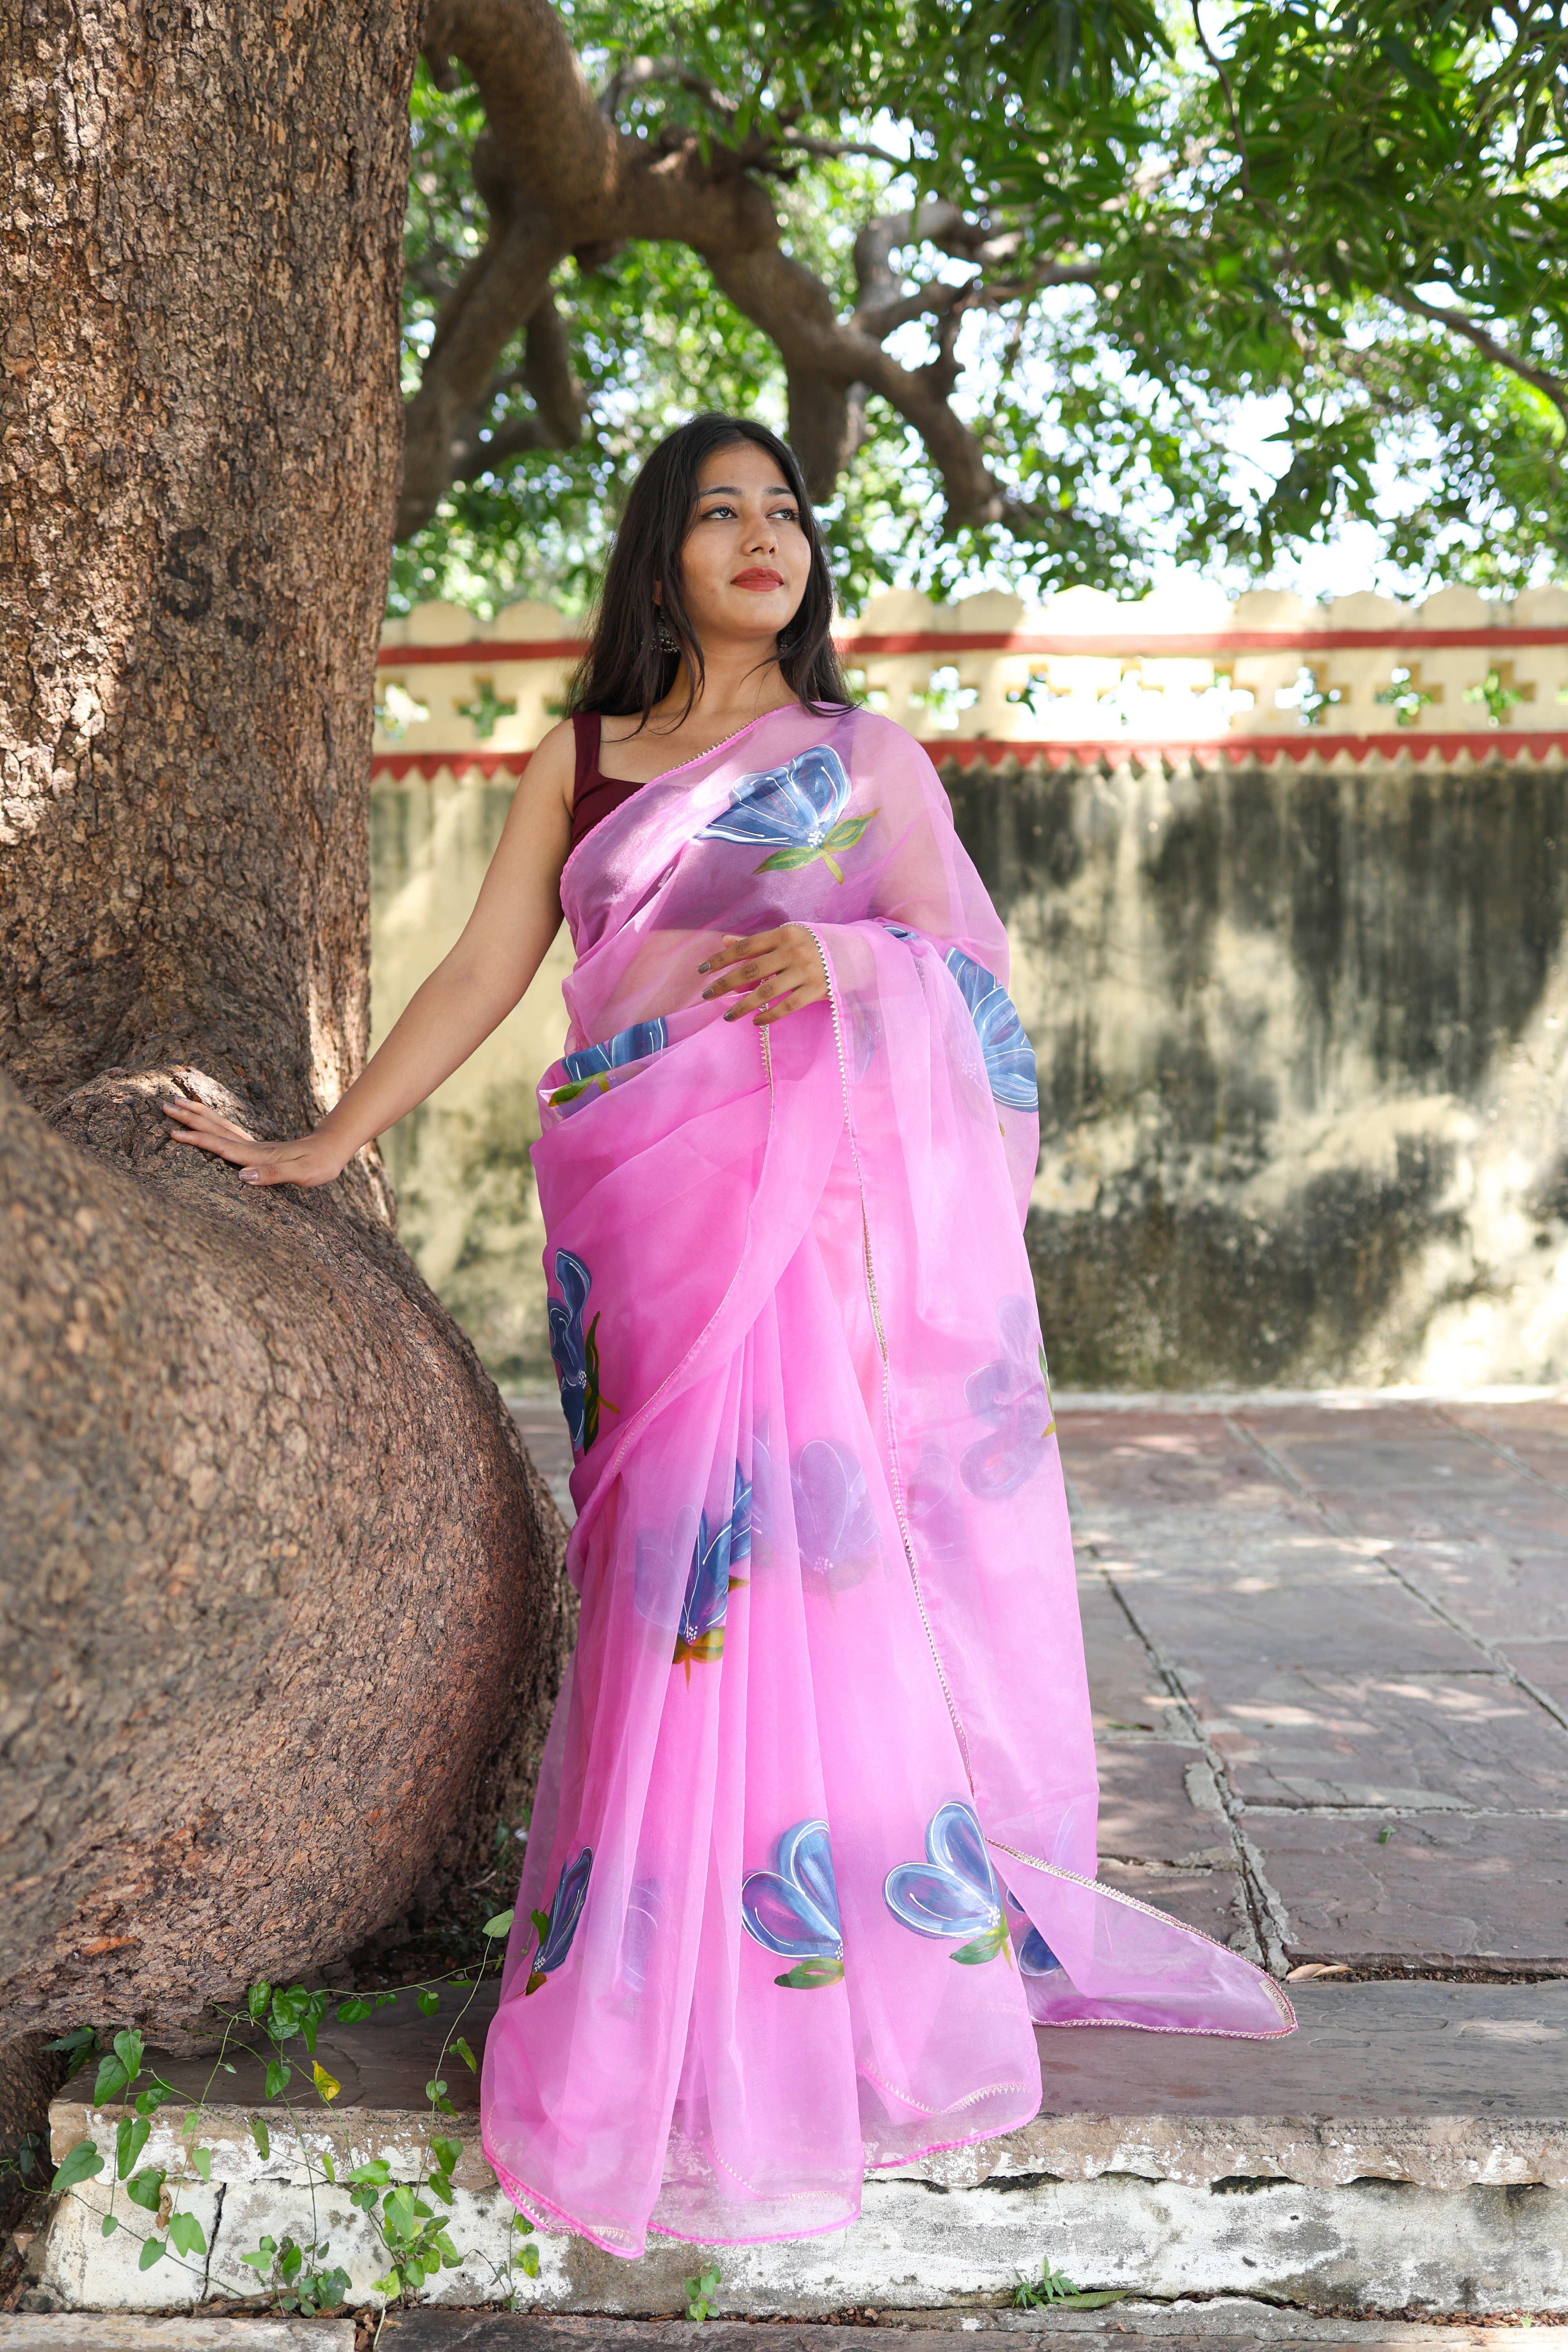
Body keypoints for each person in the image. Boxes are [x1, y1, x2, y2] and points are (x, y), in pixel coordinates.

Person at [166, 413, 1292, 2261]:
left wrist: (842, 969)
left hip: (813, 1232)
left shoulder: (863, 761)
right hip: (654, 1227)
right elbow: (479, 969)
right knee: (670, 1585)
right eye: (719, 510)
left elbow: (972, 996)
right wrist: (319, 1147)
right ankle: (657, 1966)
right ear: (658, 554)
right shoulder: (586, 762)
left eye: (784, 511)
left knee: (807, 1585)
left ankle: (839, 1981)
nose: (762, 536)